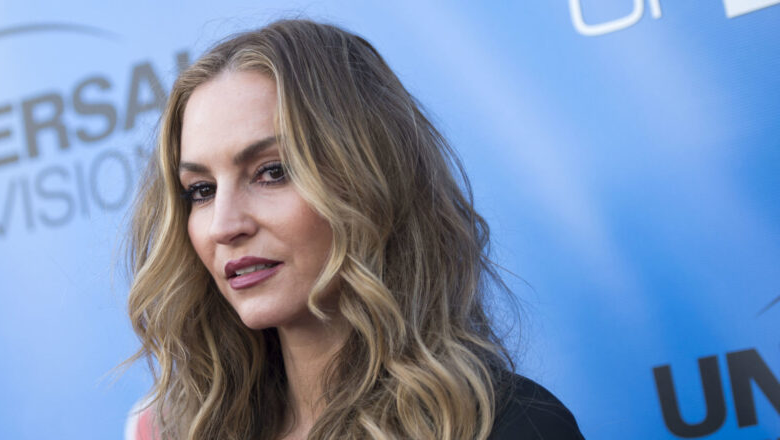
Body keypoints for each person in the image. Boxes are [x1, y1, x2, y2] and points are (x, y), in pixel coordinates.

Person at [125, 19, 585, 440]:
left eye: (273, 172)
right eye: (201, 190)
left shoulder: (509, 426)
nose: (224, 225)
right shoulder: (185, 430)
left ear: (370, 181)